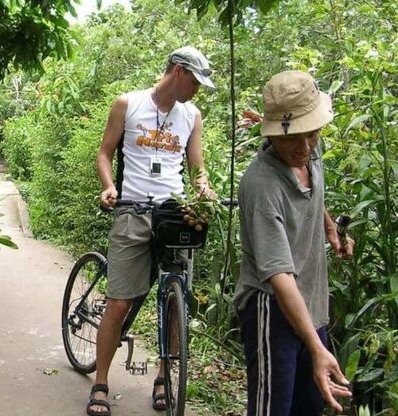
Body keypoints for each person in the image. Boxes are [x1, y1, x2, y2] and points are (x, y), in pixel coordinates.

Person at [91, 46, 217, 415]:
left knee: (175, 297)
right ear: (178, 71)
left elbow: (197, 169)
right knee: (119, 302)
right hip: (132, 210)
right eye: (194, 81)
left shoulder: (192, 115)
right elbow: (104, 153)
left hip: (174, 213)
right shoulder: (127, 104)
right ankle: (100, 381)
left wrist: (204, 191)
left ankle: (163, 376)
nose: (196, 90)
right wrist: (108, 185)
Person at [234, 70, 355, 415]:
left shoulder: (308, 151)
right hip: (272, 309)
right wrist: (316, 347)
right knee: (273, 409)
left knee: (309, 407)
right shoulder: (261, 185)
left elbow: (311, 195)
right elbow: (279, 276)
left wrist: (330, 228)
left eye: (312, 135)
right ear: (273, 136)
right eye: (292, 139)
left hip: (311, 305)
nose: (304, 148)